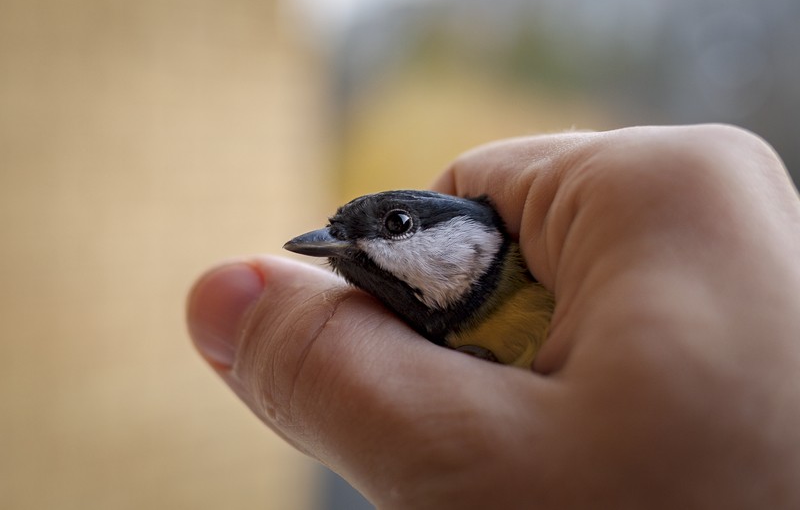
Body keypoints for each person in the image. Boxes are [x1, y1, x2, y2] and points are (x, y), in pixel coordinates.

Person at [187, 124, 800, 509]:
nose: (356, 249)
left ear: (477, 238)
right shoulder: (436, 335)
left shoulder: (546, 281)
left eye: (396, 227)